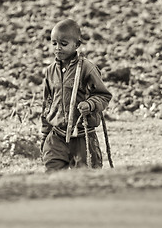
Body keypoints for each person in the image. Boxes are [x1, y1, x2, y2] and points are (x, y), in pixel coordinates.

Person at [40, 19, 112, 172]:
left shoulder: (87, 68)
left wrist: (90, 104)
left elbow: (103, 96)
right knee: (52, 179)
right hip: (57, 137)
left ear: (77, 45)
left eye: (63, 44)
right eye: (54, 44)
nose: (58, 48)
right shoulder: (50, 71)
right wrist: (45, 134)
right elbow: (47, 103)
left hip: (82, 136)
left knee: (86, 181)